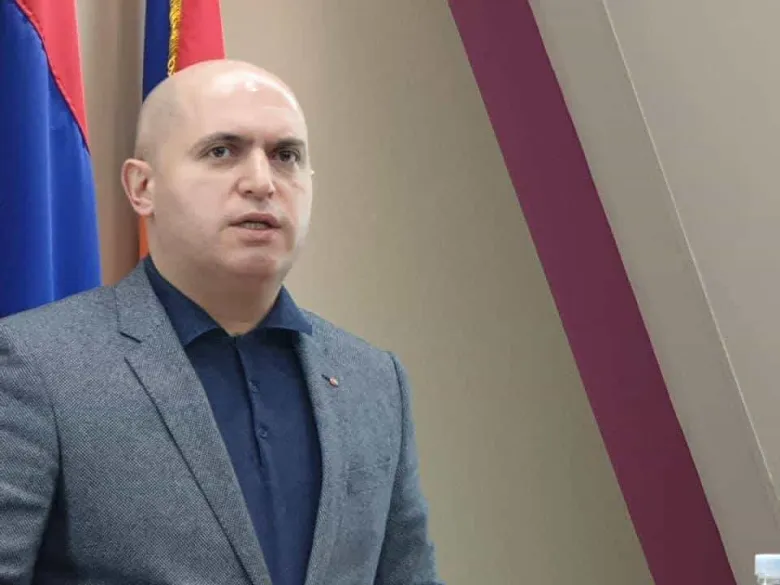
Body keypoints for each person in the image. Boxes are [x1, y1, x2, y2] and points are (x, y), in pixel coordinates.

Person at [0, 59, 443, 585]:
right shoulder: (37, 366)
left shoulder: (374, 380)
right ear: (142, 187)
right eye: (221, 151)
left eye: (286, 156)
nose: (262, 182)